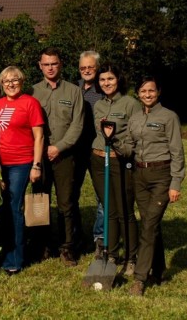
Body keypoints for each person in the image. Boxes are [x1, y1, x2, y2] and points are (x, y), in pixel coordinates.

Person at [123, 77, 185, 296]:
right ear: (138, 93)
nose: (147, 94)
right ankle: (158, 270)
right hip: (139, 175)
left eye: (151, 90)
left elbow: (177, 152)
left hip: (161, 176)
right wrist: (112, 140)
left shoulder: (169, 117)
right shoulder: (136, 117)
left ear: (158, 92)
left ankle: (140, 279)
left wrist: (175, 183)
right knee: (150, 223)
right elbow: (130, 144)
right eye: (143, 91)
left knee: (148, 225)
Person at [0, 66, 44, 274]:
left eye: (15, 80)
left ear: (22, 81)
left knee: (14, 207)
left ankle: (15, 257)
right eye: (6, 81)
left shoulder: (30, 103)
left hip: (21, 162)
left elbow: (39, 136)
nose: (10, 84)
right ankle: (1, 251)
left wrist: (36, 165)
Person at [32, 47, 84, 266]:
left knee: (66, 203)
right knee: (39, 201)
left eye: (54, 63)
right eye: (46, 64)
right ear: (40, 66)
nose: (50, 67)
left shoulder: (73, 91)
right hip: (39, 156)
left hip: (64, 156)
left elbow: (77, 124)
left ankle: (67, 248)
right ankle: (41, 246)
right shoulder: (32, 91)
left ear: (60, 64)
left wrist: (59, 147)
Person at [90, 62, 141, 276]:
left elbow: (135, 134)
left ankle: (131, 256)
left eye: (110, 78)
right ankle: (111, 252)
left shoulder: (130, 104)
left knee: (124, 211)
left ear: (118, 80)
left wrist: (119, 142)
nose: (106, 83)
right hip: (99, 160)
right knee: (108, 208)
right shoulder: (98, 105)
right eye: (102, 80)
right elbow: (98, 132)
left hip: (120, 161)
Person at [76, 51, 106, 259]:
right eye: (83, 67)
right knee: (70, 195)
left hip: (97, 149)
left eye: (91, 67)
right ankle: (75, 236)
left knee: (101, 196)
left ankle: (100, 238)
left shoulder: (104, 89)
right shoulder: (73, 88)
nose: (87, 71)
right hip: (76, 149)